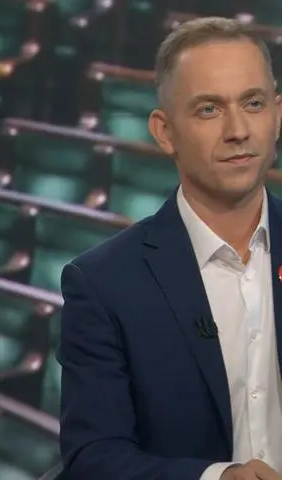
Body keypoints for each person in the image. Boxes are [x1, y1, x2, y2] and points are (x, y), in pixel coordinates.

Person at [58, 16, 282, 480]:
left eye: (253, 103)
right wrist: (216, 478)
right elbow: (93, 458)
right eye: (209, 109)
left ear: (277, 114)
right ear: (165, 132)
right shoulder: (104, 284)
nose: (238, 129)